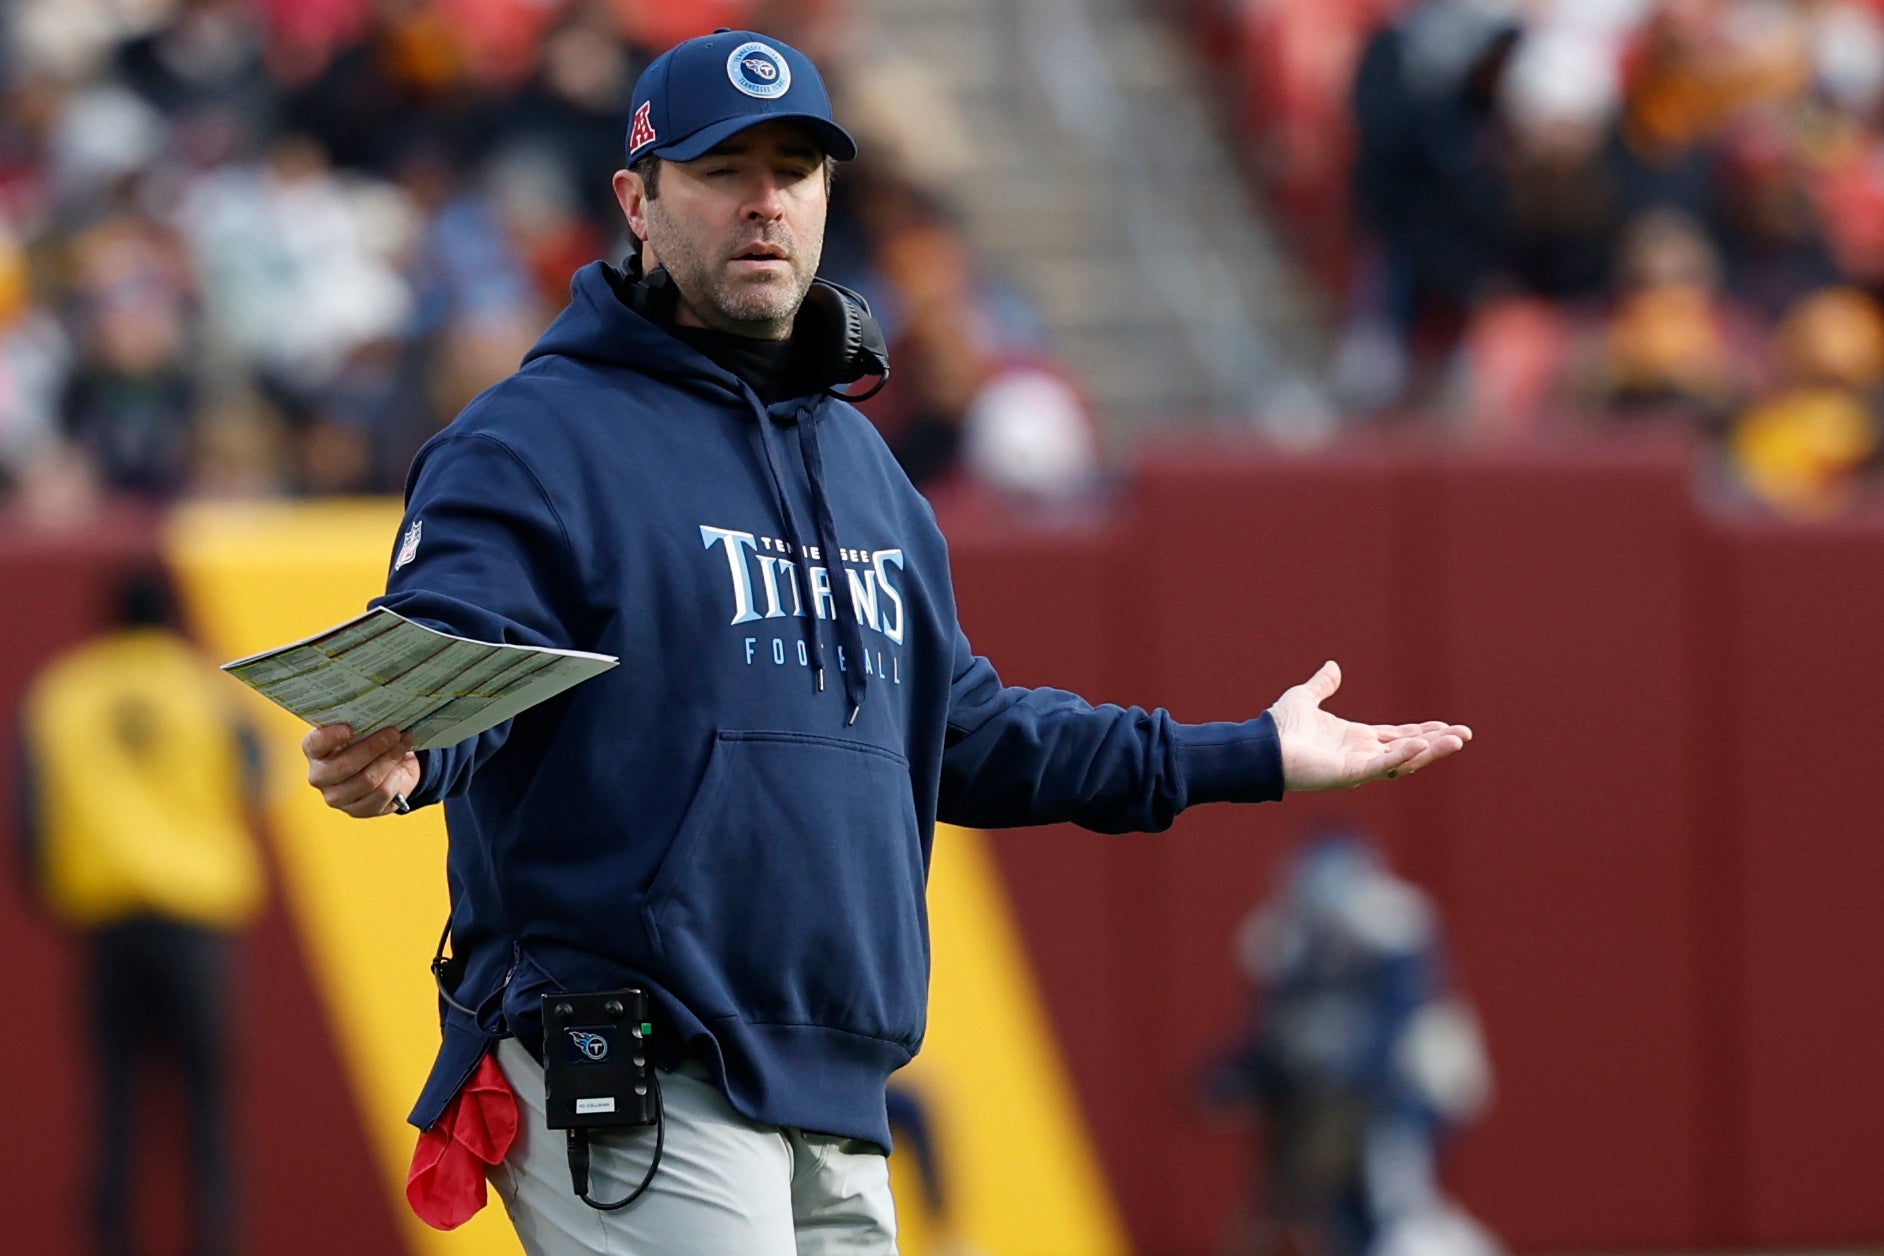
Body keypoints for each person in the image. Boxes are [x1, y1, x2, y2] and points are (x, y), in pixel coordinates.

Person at [299, 29, 1473, 1255]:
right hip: (634, 1049)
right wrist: (417, 748)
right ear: (637, 201)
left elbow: (965, 730)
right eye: (721, 170)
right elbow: (467, 647)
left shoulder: (860, 460)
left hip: (840, 1082)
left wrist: (1250, 751)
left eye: (795, 170)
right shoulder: (533, 438)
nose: (766, 202)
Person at [18, 568, 267, 1256]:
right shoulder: (209, 692)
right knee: (208, 1109)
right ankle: (217, 1242)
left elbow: (31, 820)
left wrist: (57, 894)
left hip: (107, 923)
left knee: (116, 1106)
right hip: (197, 922)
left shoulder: (63, 693)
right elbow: (256, 782)